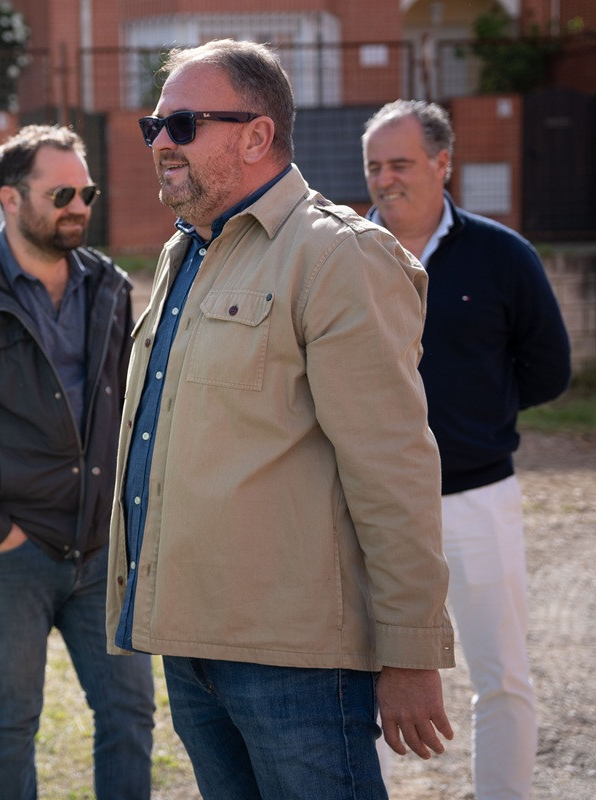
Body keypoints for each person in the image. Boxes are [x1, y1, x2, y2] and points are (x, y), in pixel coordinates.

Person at [108, 39, 457, 800]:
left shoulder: (338, 256)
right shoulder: (185, 253)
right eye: (154, 126)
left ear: (257, 134)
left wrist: (409, 651)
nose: (161, 142)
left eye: (184, 124)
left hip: (294, 659)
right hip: (190, 640)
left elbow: (391, 466)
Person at [0, 124, 155, 800]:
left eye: (87, 192)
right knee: (13, 721)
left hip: (102, 550)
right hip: (8, 553)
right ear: (10, 200)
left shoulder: (107, 284)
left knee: (130, 713)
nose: (79, 205)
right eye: (62, 192)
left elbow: (129, 407)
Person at [362, 100, 571, 800]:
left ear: (443, 163)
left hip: (478, 495)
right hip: (367, 505)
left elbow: (548, 368)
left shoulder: (502, 254)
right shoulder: (344, 255)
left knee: (501, 673)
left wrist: (474, 421)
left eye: (401, 163)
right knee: (360, 679)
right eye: (375, 166)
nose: (385, 178)